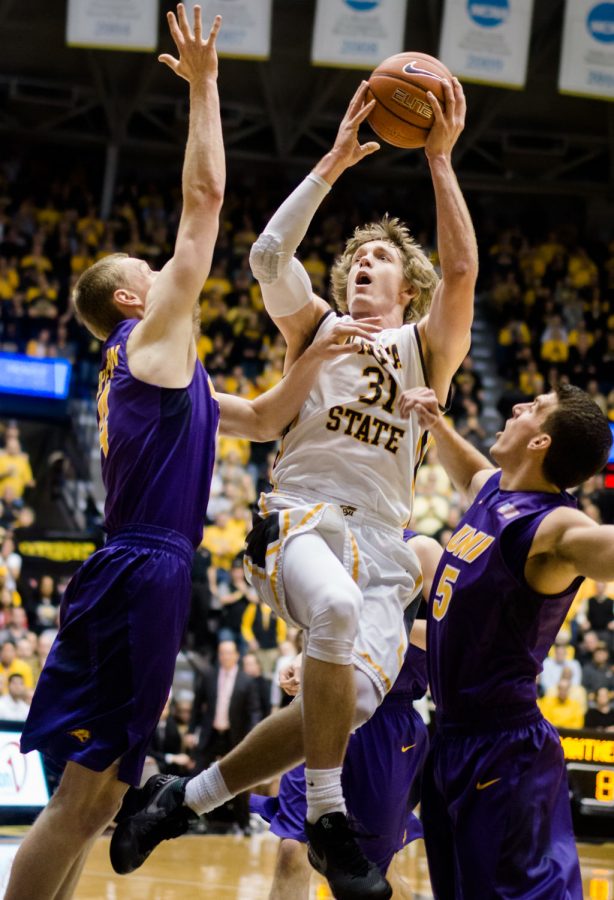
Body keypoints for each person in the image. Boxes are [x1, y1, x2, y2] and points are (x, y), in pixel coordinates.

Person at [5, 8, 374, 900]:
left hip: (141, 566)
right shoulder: (149, 336)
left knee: (99, 800)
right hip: (142, 567)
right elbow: (203, 202)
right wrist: (206, 85)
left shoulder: (164, 377)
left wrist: (315, 359)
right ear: (136, 293)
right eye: (157, 269)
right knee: (87, 796)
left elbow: (252, 418)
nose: (178, 278)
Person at [110, 71, 477, 900]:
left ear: (405, 289)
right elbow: (269, 256)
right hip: (300, 518)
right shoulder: (313, 325)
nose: (361, 269)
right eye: (355, 260)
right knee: (337, 618)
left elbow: (460, 276)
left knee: (337, 711)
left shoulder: (428, 349)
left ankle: (184, 798)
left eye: (378, 261)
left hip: (384, 542)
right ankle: (325, 817)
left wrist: (442, 162)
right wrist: (336, 162)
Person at [401, 383, 613, 899]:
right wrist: (435, 423)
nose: (518, 407)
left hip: (504, 751)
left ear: (540, 442)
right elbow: (472, 474)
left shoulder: (555, 527)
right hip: (450, 740)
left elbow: (599, 547)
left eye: (534, 408)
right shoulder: (497, 492)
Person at [251, 532, 440, 900]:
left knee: (372, 874)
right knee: (293, 850)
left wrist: (370, 629)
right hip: (321, 704)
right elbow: (324, 622)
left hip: (387, 720)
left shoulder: (422, 549)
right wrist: (302, 658)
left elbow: (454, 635)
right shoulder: (335, 538)